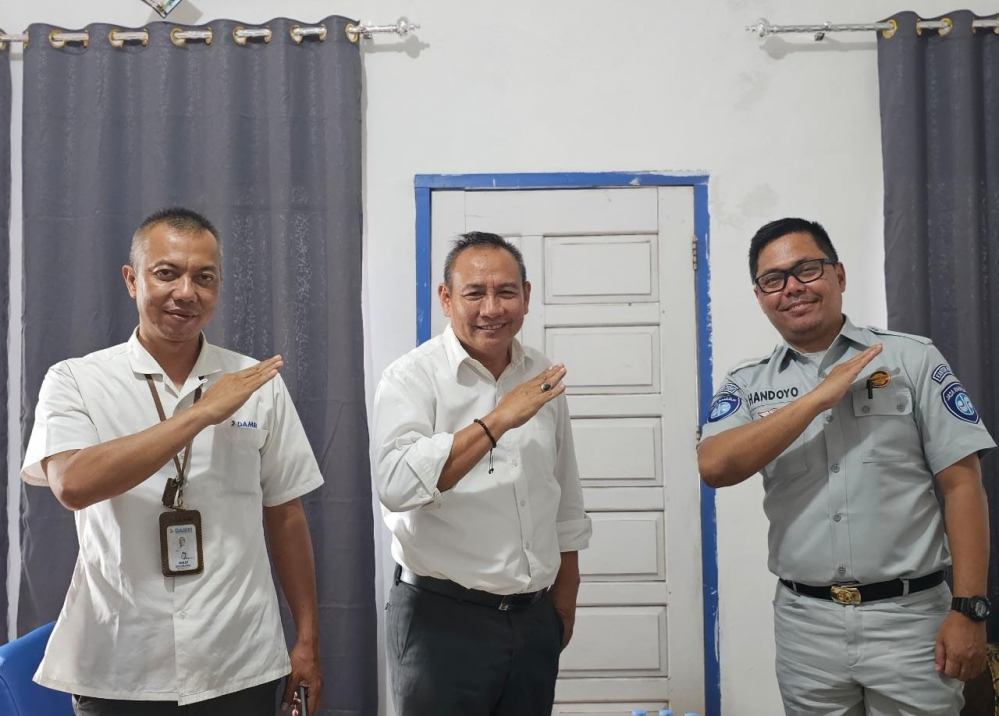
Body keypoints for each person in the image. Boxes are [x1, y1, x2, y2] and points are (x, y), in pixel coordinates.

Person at [21, 208, 324, 715]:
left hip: (238, 658)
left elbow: (286, 512)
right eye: (167, 273)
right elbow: (72, 484)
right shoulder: (76, 379)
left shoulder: (255, 381)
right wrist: (202, 414)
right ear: (131, 279)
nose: (186, 292)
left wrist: (308, 640)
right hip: (120, 663)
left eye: (204, 278)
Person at [698, 217, 996, 715]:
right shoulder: (747, 383)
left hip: (910, 620)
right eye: (773, 280)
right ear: (760, 297)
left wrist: (969, 608)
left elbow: (962, 485)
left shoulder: (912, 359)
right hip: (806, 626)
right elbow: (715, 466)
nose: (792, 287)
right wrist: (817, 398)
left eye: (807, 270)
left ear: (839, 275)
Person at [371, 231, 592, 715]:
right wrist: (498, 421)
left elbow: (563, 491)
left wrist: (564, 598)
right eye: (474, 293)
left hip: (533, 619)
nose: (492, 308)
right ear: (446, 299)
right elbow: (397, 486)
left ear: (526, 297)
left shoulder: (541, 373)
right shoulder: (411, 378)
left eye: (506, 292)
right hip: (440, 621)